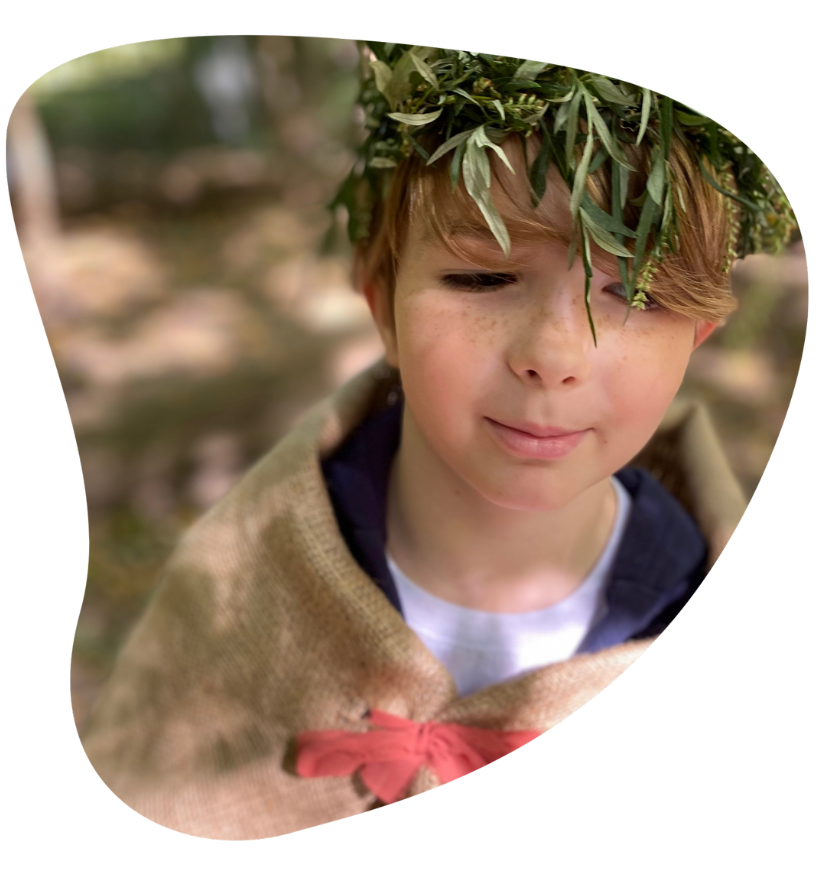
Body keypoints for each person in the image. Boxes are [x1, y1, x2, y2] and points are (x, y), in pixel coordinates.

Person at [72, 42, 799, 839]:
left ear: (695, 338)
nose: (552, 358)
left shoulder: (719, 619)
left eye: (634, 294)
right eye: (481, 278)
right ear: (383, 306)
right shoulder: (236, 578)